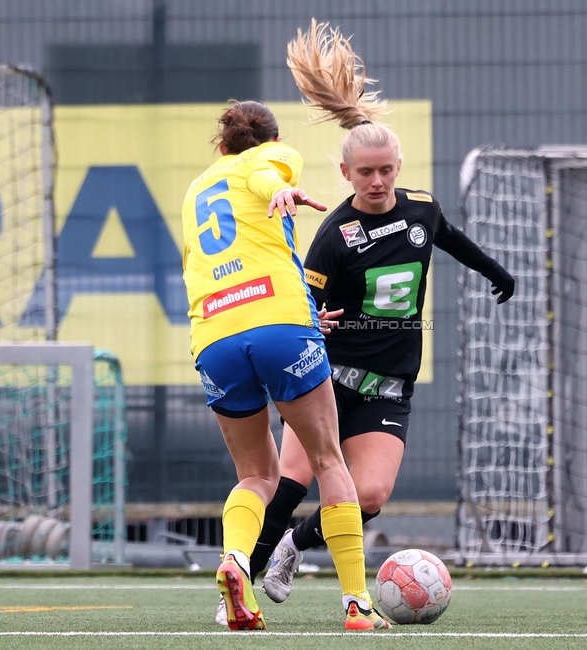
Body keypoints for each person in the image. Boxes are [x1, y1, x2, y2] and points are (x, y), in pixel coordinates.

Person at [230, 21, 515, 611]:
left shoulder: (423, 209)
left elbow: (453, 240)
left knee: (372, 495)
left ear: (399, 166)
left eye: (387, 170)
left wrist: (496, 272)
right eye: (366, 173)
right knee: (289, 485)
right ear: (345, 175)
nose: (379, 180)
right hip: (327, 380)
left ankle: (294, 546)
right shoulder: (335, 235)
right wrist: (316, 324)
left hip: (389, 386)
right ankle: (236, 595)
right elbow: (300, 298)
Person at [182, 99, 390, 631]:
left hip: (214, 337)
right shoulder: (273, 159)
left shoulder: (195, 191)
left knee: (255, 474)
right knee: (328, 462)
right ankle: (357, 605)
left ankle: (235, 562)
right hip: (278, 325)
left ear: (221, 143)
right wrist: (278, 186)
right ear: (271, 139)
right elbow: (263, 174)